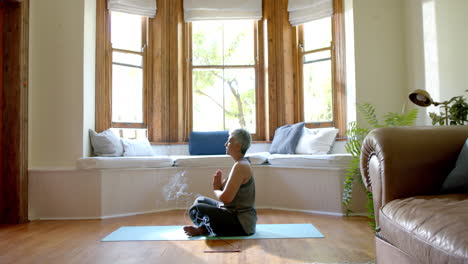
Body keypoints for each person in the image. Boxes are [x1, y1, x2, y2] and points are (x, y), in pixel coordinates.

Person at [183, 128, 257, 237]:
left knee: (196, 209)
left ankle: (204, 230)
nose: (226, 144)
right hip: (234, 214)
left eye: (230, 141)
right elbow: (232, 193)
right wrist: (221, 185)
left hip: (241, 223)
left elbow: (226, 198)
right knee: (200, 200)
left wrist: (216, 189)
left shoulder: (241, 166)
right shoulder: (241, 163)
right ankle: (204, 229)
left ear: (238, 146)